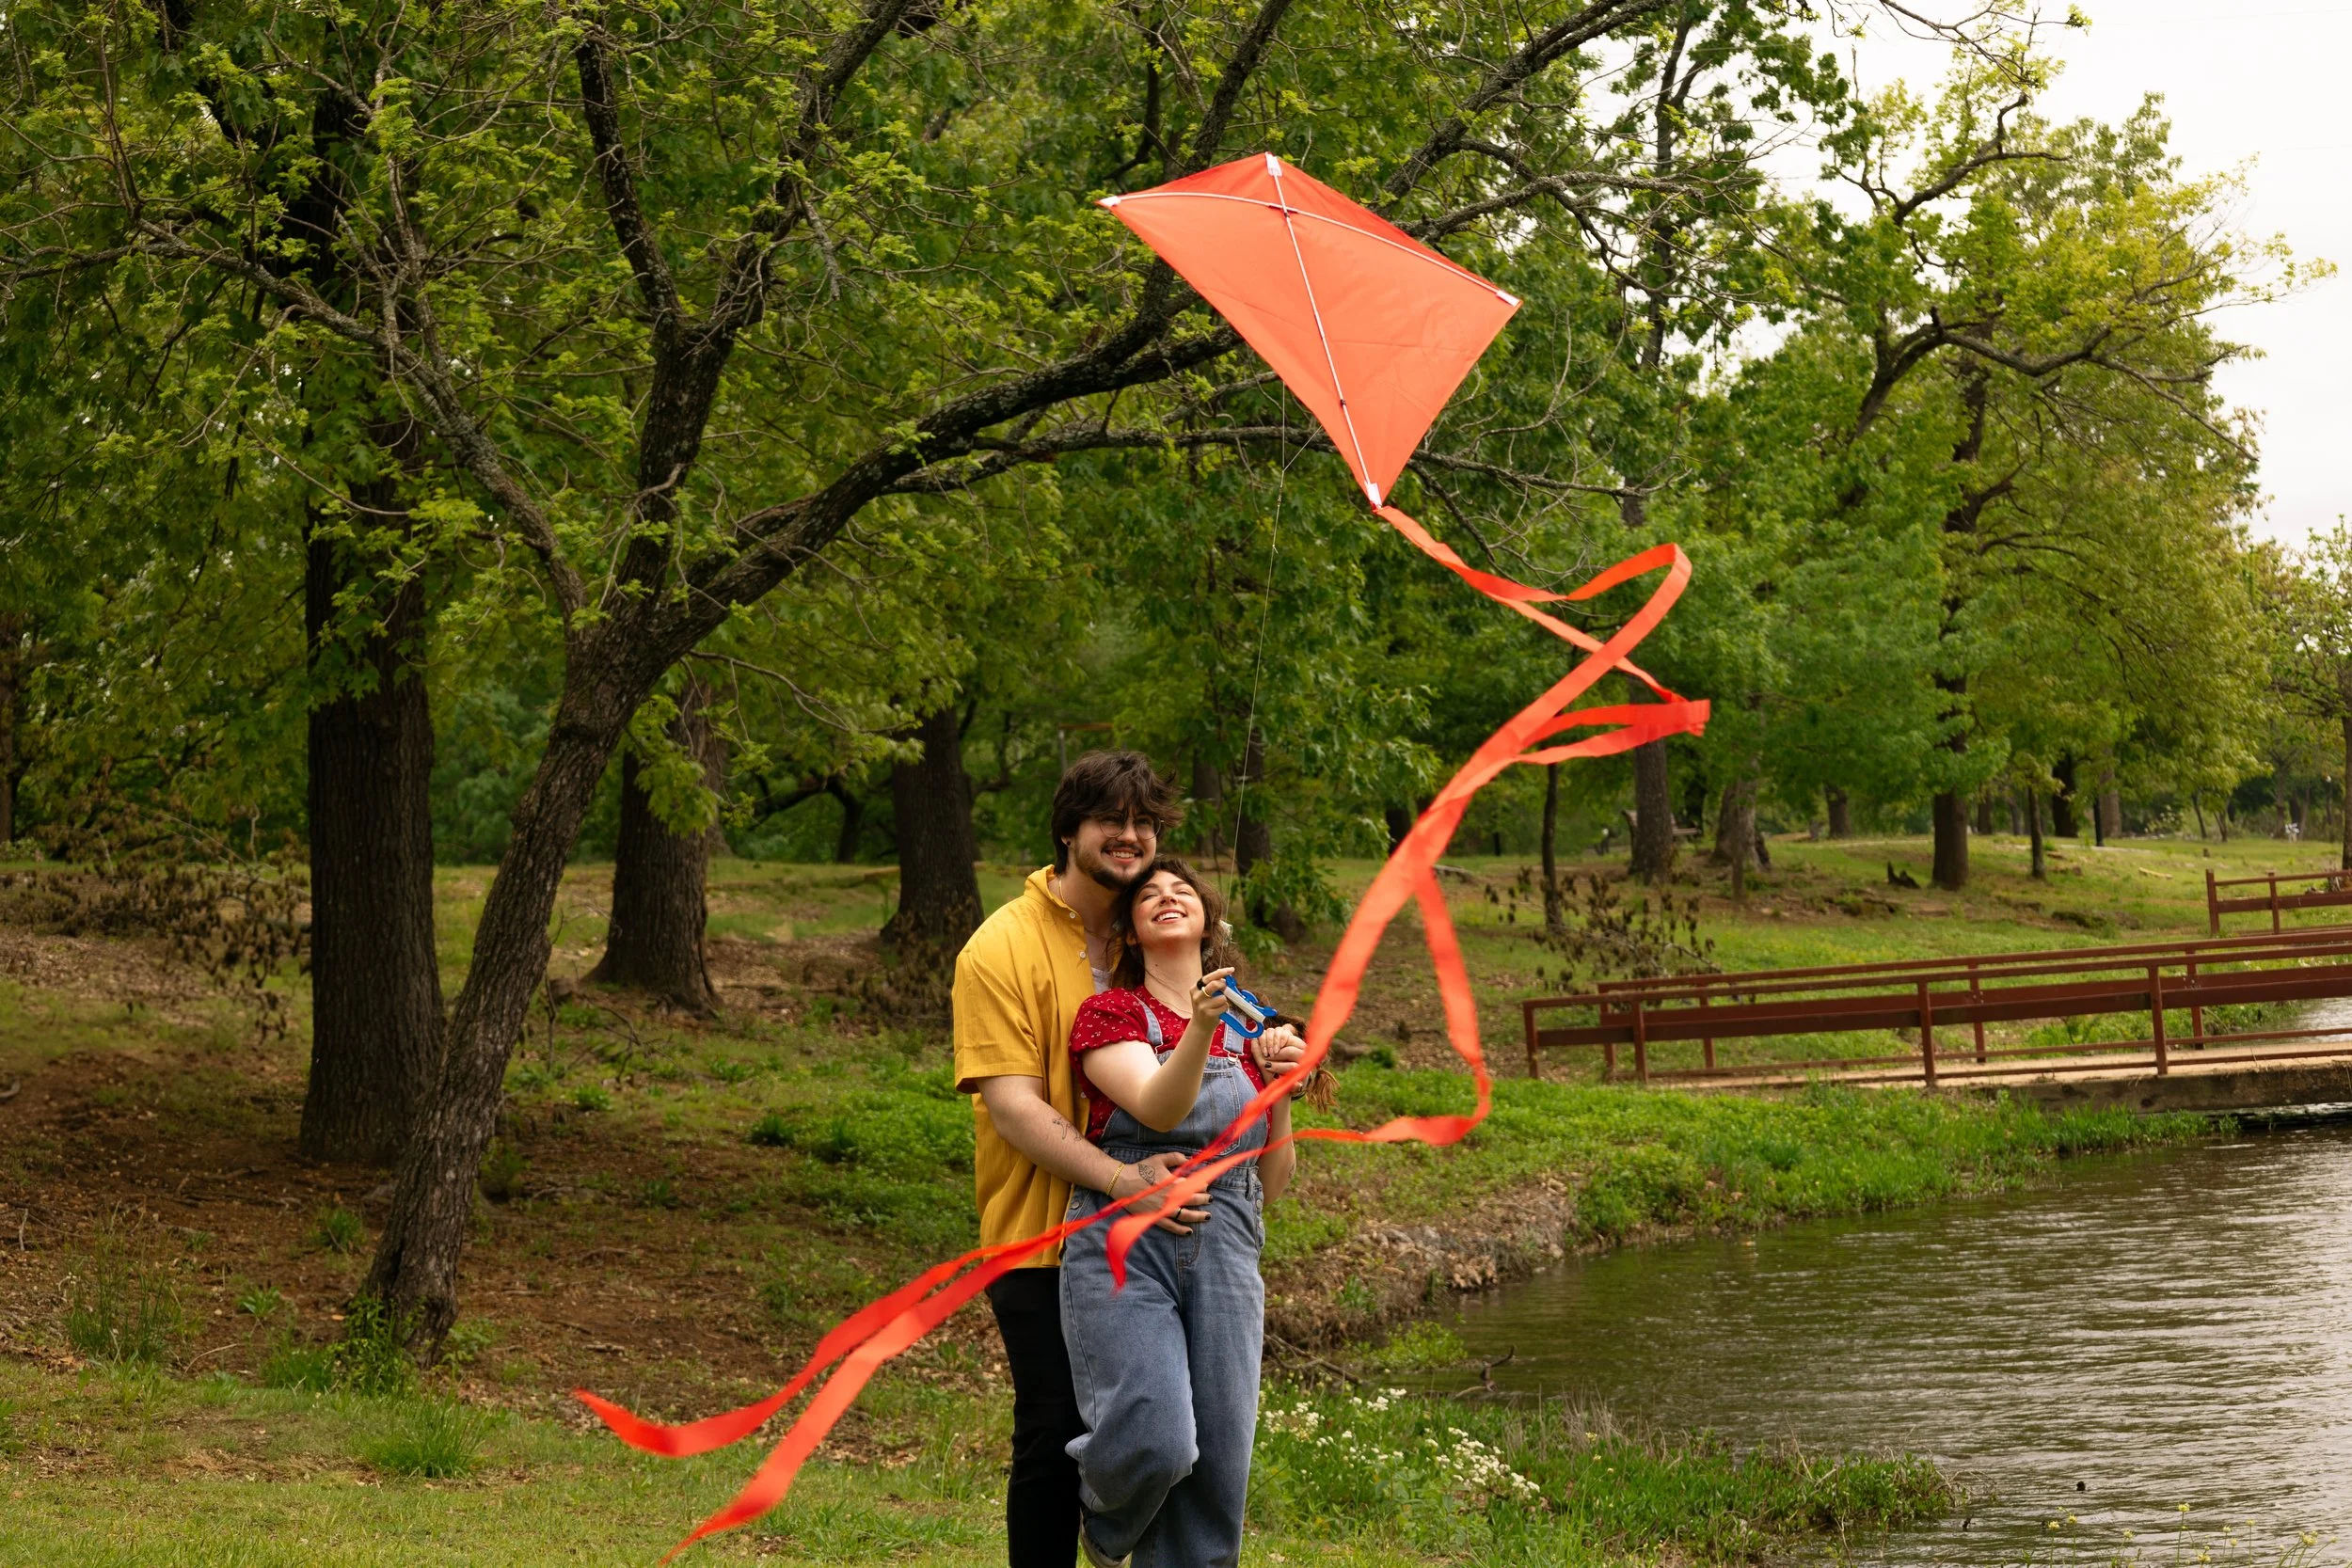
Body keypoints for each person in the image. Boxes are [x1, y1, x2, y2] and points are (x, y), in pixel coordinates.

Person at [956, 753, 1261, 1568]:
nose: (1129, 837)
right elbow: (1015, 1106)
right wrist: (1124, 1179)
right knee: (1058, 1432)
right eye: (1109, 821)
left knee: (1200, 1440)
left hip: (1177, 1226)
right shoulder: (1000, 948)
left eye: (1143, 823)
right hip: (1043, 1236)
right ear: (1068, 831)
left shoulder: (1148, 936)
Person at [1058, 857, 1319, 1568]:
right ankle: (1105, 1525)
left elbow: (1273, 1178)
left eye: (1182, 891)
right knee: (1158, 1436)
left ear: (1208, 922)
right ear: (1133, 931)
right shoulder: (1112, 1011)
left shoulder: (1254, 1027)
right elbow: (1157, 1105)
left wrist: (1281, 1090)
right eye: (1149, 895)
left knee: (1220, 1464)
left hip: (1229, 1239)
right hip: (1126, 1239)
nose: (1168, 898)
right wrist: (1202, 1028)